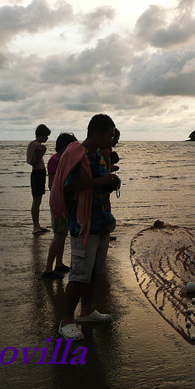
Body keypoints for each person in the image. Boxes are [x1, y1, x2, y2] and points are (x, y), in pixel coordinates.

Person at [49, 114, 120, 340]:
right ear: (96, 133)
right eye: (109, 135)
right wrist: (100, 181)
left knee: (93, 272)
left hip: (100, 222)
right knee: (79, 274)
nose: (112, 140)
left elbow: (95, 188)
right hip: (82, 225)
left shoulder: (97, 157)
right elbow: (68, 187)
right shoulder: (75, 155)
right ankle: (66, 320)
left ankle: (87, 310)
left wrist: (110, 183)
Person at [42, 132, 78, 280]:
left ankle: (59, 264)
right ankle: (48, 269)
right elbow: (51, 184)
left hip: (64, 202)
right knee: (58, 235)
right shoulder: (54, 160)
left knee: (62, 234)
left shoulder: (63, 159)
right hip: (58, 202)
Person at [26, 124, 51, 235]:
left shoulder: (33, 144)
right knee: (36, 201)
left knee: (38, 201)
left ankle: (37, 225)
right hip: (37, 173)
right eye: (46, 136)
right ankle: (36, 226)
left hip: (38, 174)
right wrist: (42, 153)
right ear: (41, 135)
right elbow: (33, 161)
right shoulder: (37, 146)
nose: (47, 138)